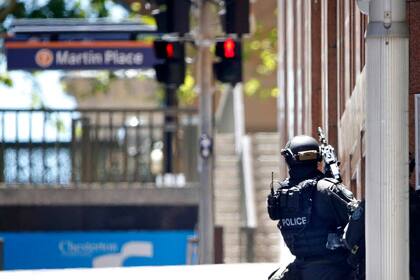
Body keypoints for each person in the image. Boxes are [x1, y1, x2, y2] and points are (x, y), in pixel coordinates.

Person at [267, 135, 358, 280]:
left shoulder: (282, 194)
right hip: (319, 267)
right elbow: (358, 219)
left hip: (322, 266)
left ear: (289, 159)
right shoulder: (327, 188)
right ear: (318, 158)